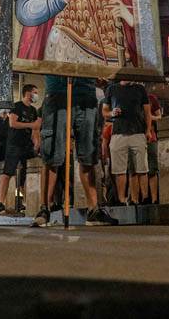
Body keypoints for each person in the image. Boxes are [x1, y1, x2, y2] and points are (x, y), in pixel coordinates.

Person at [33, 75, 117, 226]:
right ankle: (45, 207)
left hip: (87, 95)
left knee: (88, 154)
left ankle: (93, 209)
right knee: (52, 153)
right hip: (58, 92)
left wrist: (100, 78)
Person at [102, 81, 154, 205]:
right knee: (119, 169)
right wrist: (112, 113)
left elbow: (147, 112)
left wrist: (148, 130)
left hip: (137, 131)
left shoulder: (139, 88)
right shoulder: (112, 89)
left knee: (142, 168)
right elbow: (104, 111)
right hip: (118, 132)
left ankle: (145, 197)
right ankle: (121, 199)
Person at [0, 84, 40, 214]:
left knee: (29, 173)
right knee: (8, 173)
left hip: (27, 145)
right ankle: (1, 203)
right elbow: (13, 123)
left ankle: (27, 202)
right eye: (34, 92)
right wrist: (31, 125)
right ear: (27, 93)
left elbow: (35, 129)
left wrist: (36, 142)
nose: (36, 95)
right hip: (14, 144)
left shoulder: (33, 111)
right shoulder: (17, 106)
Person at [145, 91, 162, 204]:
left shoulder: (151, 98)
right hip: (136, 135)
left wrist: (149, 116)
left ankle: (154, 198)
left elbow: (159, 116)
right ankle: (144, 197)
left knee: (152, 169)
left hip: (151, 137)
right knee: (139, 170)